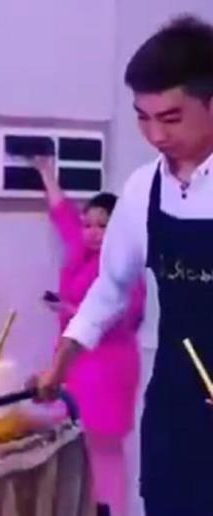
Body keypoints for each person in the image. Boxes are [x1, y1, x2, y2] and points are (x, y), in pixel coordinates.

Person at [34, 15, 213, 515]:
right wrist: (61, 363)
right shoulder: (141, 190)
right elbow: (110, 290)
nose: (155, 135)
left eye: (171, 118)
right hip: (175, 397)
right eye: (142, 118)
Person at [33, 156, 145, 516]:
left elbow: (123, 316)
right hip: (76, 366)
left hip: (108, 369)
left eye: (102, 226)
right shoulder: (80, 252)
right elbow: (64, 217)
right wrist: (46, 173)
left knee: (104, 450)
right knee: (75, 448)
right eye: (89, 225)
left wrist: (69, 309)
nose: (93, 232)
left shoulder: (124, 267)